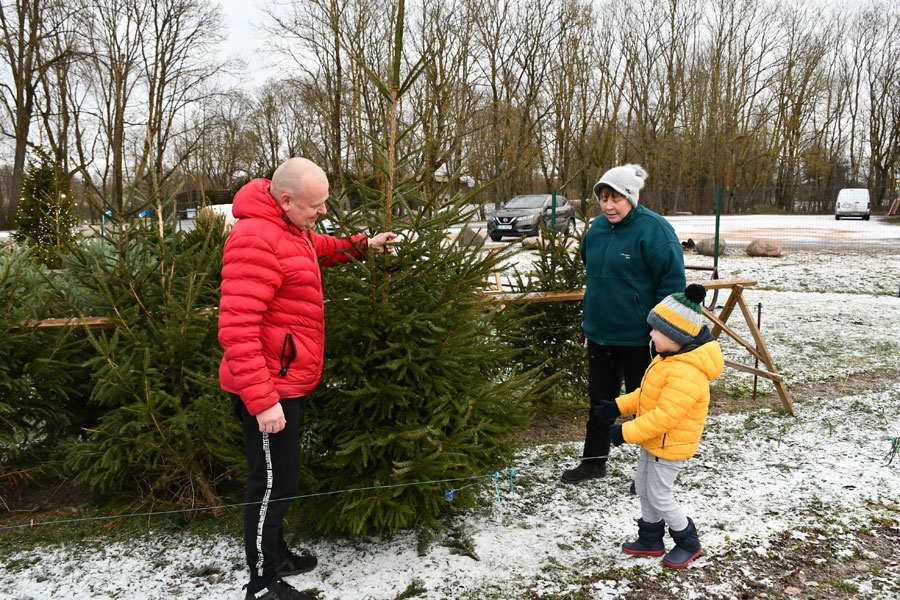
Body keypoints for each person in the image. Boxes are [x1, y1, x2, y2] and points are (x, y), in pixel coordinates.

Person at [218, 157, 397, 600]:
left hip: (284, 381)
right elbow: (237, 330)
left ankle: (276, 556)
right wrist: (262, 401)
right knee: (270, 485)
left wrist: (362, 244)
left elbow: (316, 247)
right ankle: (261, 582)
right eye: (316, 205)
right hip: (267, 388)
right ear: (286, 199)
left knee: (284, 478)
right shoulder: (255, 238)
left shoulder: (288, 229)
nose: (322, 212)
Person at [561, 164, 686, 484]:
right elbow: (593, 270)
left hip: (641, 340)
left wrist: (660, 331)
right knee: (600, 403)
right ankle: (593, 462)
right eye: (603, 198)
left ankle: (651, 471)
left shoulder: (655, 231)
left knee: (647, 407)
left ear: (631, 197)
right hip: (601, 335)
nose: (608, 206)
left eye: (615, 198)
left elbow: (672, 285)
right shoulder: (597, 230)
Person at [597, 283, 724, 568]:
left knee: (659, 494)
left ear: (674, 335)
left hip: (671, 445)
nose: (651, 334)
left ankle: (688, 542)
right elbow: (647, 396)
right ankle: (650, 538)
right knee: (643, 486)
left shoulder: (686, 372)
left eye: (655, 329)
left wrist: (626, 432)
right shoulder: (667, 360)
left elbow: (666, 416)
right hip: (656, 441)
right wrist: (618, 406)